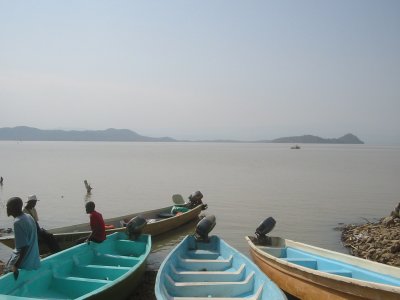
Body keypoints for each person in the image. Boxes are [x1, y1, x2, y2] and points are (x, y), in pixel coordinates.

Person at [5, 197, 40, 277]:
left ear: (14, 208)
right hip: (34, 260)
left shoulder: (18, 222)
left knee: (6, 271)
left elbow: (23, 247)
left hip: (24, 262)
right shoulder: (28, 217)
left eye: (8, 206)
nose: (7, 208)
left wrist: (15, 266)